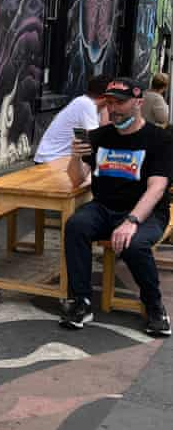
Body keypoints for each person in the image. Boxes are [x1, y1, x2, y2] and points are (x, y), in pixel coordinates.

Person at [63, 77, 172, 336]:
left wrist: (131, 221)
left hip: (145, 212)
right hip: (103, 208)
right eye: (109, 102)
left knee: (134, 245)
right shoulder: (98, 136)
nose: (113, 108)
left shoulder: (159, 139)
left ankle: (155, 307)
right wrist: (76, 155)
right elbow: (77, 178)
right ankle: (81, 301)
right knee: (76, 225)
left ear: (138, 103)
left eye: (120, 103)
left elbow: (157, 188)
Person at [34, 75, 111, 163]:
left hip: (54, 159)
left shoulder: (85, 104)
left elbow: (87, 142)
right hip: (50, 160)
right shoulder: (86, 104)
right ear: (105, 97)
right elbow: (97, 142)